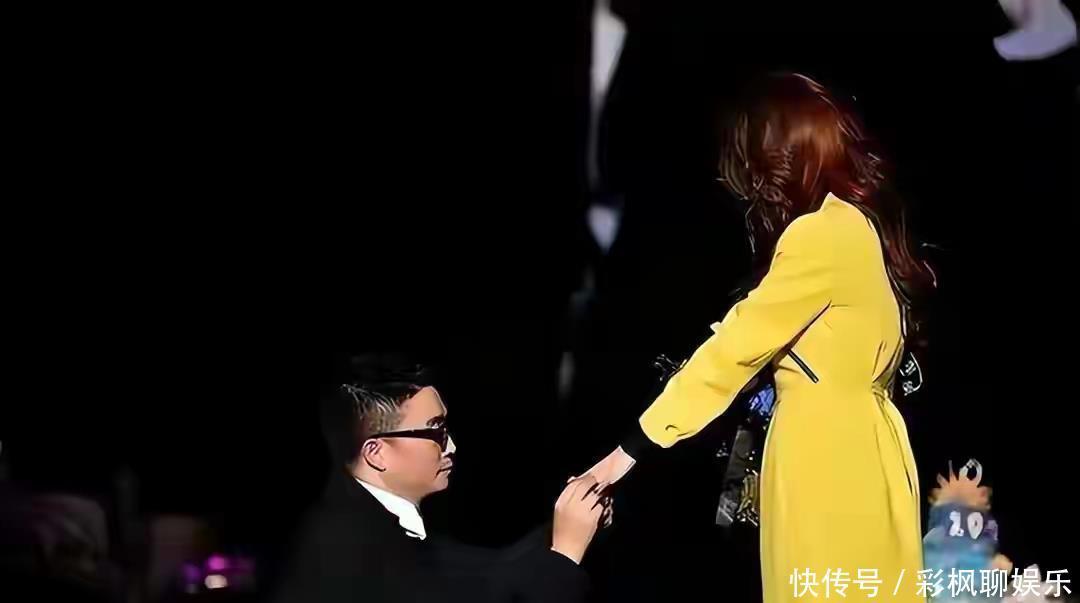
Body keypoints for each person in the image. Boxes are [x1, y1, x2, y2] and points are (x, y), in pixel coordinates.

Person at [584, 73, 936, 602]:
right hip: (871, 449)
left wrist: (623, 455)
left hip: (826, 452)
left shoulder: (820, 233)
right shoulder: (858, 228)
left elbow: (731, 353)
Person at [273, 365, 609, 603]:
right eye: (435, 432)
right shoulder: (353, 551)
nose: (451, 447)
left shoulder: (365, 522)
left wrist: (564, 525)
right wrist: (566, 553)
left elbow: (487, 573)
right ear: (377, 452)